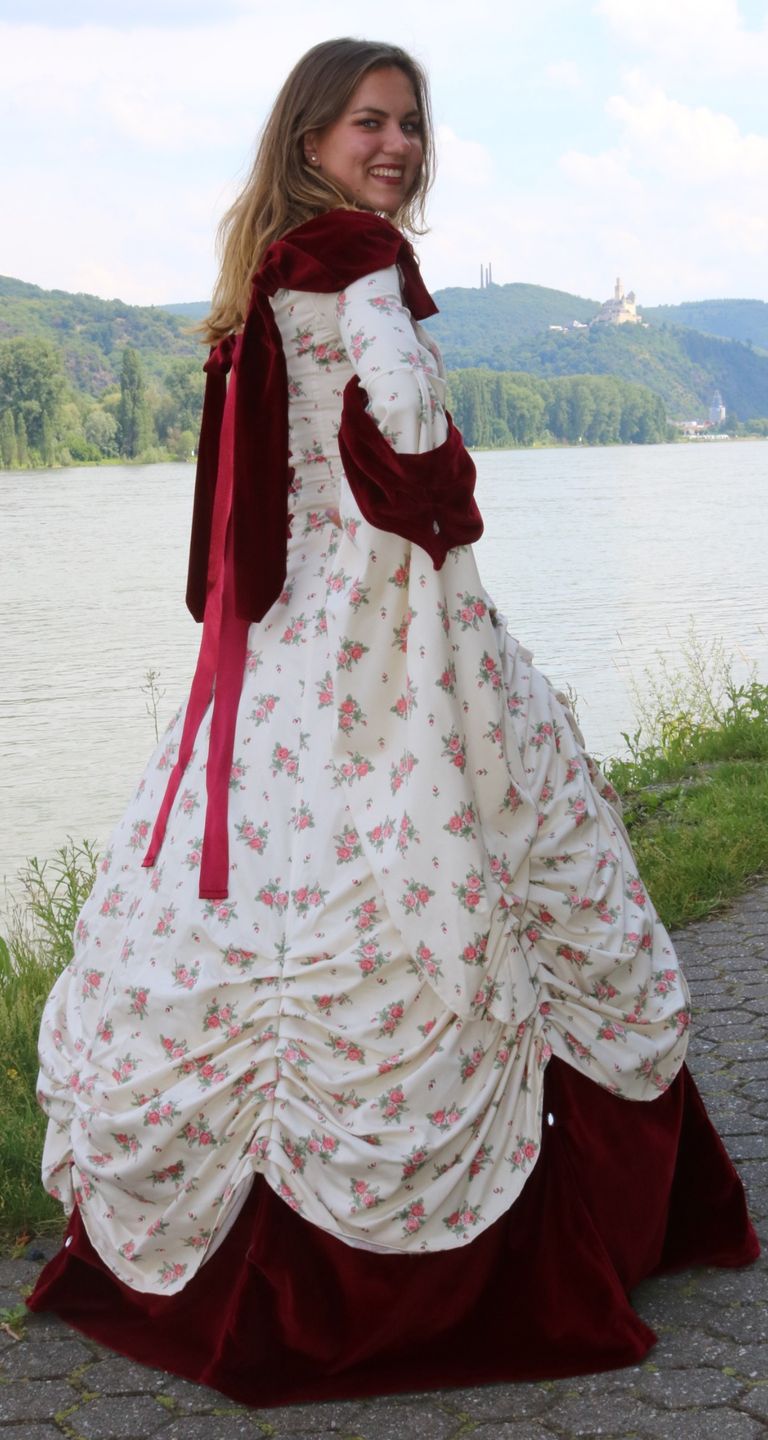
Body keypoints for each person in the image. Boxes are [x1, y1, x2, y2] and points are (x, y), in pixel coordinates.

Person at [28, 37, 758, 1406]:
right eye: (370, 122)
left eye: (411, 125)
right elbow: (410, 437)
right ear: (310, 136)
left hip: (285, 637)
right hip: (388, 626)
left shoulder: (264, 273)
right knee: (469, 866)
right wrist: (434, 461)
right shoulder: (361, 260)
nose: (397, 146)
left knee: (263, 886)